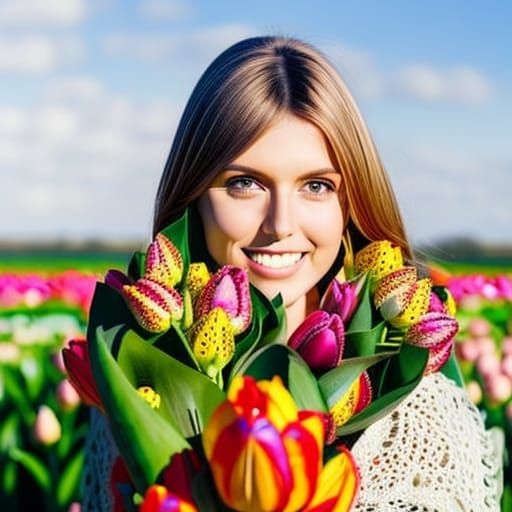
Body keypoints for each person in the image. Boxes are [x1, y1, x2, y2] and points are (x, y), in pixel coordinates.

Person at [83, 36, 502, 511]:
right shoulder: (135, 375)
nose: (281, 224)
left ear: (353, 202)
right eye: (244, 183)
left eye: (317, 186)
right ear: (193, 196)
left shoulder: (417, 398)